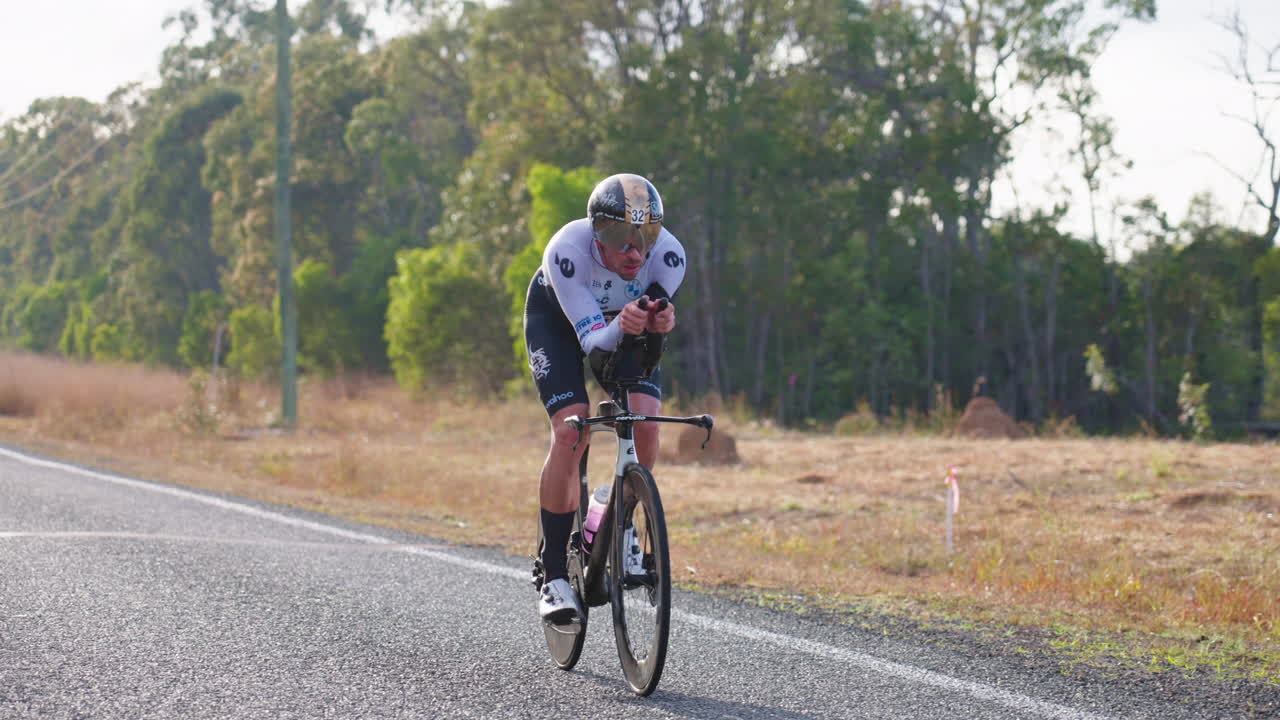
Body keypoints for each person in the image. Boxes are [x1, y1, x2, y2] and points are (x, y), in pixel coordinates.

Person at [523, 173, 686, 623]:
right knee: (571, 429)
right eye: (620, 238)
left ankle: (618, 522)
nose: (635, 252)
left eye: (645, 235)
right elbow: (594, 341)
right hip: (561, 322)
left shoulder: (670, 257)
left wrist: (659, 324)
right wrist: (629, 324)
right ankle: (553, 572)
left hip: (620, 326)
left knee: (647, 425)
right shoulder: (568, 251)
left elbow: (648, 337)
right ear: (597, 233)